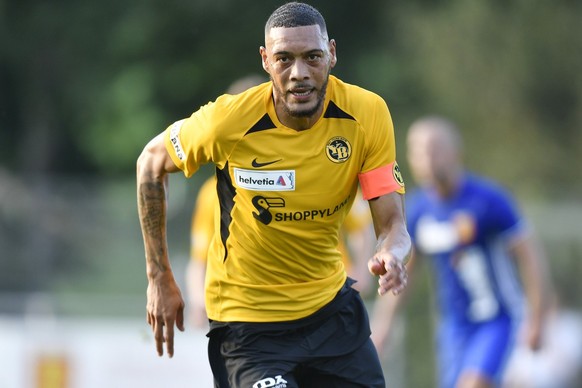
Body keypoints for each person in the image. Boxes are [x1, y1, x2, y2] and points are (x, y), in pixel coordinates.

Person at [136, 2, 411, 387]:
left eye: (312, 57)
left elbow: (393, 223)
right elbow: (150, 162)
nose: (299, 73)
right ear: (266, 61)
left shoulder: (368, 114)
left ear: (331, 53)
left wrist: (392, 253)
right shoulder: (228, 121)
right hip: (249, 327)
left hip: (330, 314)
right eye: (284, 59)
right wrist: (159, 277)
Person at [371, 116, 551, 388]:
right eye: (418, 151)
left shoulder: (489, 200)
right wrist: (383, 327)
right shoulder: (419, 211)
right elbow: (405, 274)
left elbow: (530, 256)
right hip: (453, 327)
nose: (427, 158)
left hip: (497, 320)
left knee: (473, 384)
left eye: (434, 148)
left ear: (456, 152)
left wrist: (538, 317)